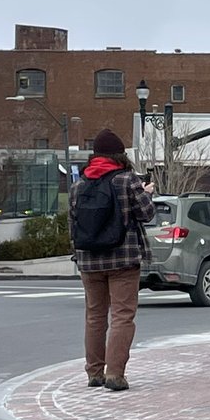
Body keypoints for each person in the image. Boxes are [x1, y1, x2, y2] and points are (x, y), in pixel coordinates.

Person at [68, 128, 156, 391]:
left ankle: (94, 373)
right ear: (120, 155)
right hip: (123, 259)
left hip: (88, 260)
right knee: (122, 316)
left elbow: (72, 225)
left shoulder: (78, 185)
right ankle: (114, 374)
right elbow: (147, 213)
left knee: (94, 316)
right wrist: (146, 192)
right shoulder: (127, 180)